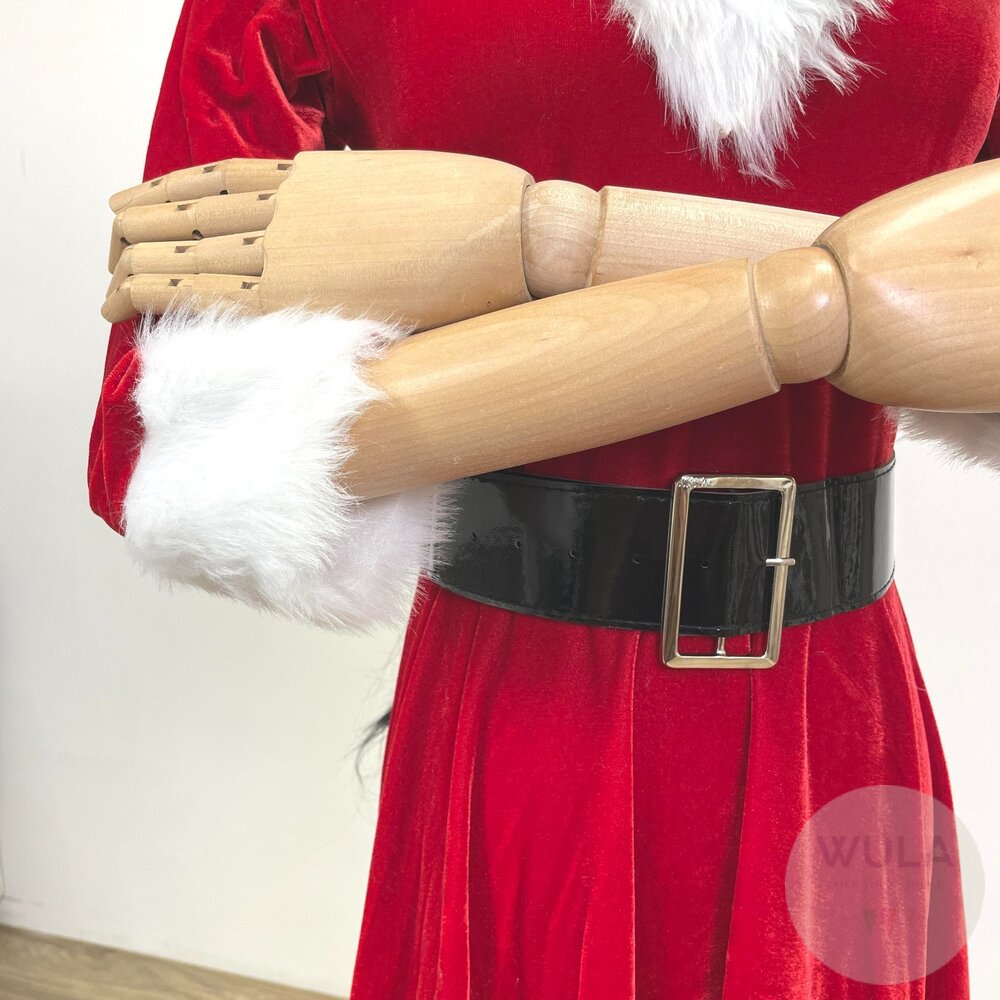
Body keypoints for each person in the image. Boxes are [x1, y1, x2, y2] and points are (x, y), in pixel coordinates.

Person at [88, 1, 1000, 995]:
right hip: (531, 706)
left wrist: (552, 242)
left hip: (840, 700)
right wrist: (832, 297)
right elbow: (172, 437)